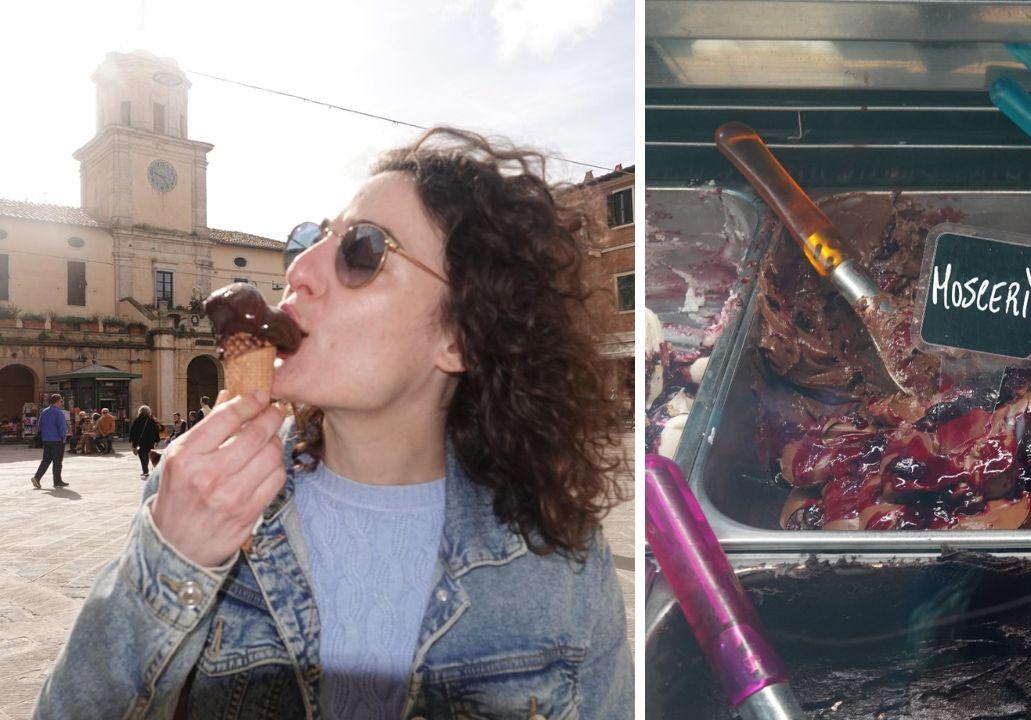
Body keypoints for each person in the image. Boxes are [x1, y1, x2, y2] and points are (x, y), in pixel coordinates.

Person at [36, 128, 632, 719]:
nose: (298, 269)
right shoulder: (196, 498)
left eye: (363, 249)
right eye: (313, 238)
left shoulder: (559, 559)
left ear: (460, 337)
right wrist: (171, 556)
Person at [31, 395, 68, 489]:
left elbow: (40, 425)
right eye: (61, 401)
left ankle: (37, 477)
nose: (61, 403)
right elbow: (62, 427)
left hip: (46, 440)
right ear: (57, 401)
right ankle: (57, 481)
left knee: (46, 460)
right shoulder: (58, 413)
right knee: (57, 461)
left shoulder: (44, 411)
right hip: (57, 440)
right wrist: (63, 437)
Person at [128, 405, 161, 477]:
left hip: (141, 441)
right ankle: (146, 469)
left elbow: (133, 431)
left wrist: (133, 443)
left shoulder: (137, 420)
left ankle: (145, 470)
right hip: (150, 441)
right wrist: (157, 440)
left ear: (140, 411)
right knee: (147, 454)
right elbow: (156, 431)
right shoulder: (151, 420)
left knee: (142, 454)